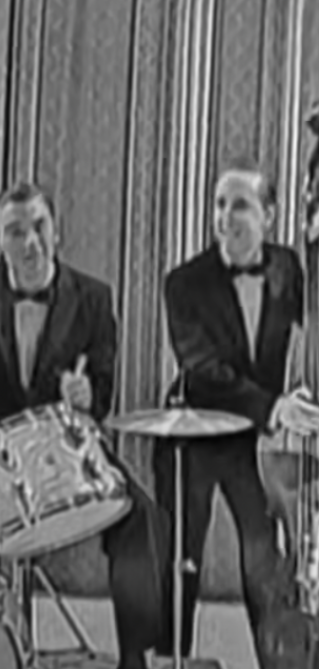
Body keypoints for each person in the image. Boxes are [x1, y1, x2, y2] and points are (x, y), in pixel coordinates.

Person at [0, 181, 169, 669]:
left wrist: (87, 398)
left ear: (57, 231)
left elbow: (102, 390)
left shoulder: (95, 298)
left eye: (39, 226)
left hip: (62, 449)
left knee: (144, 521)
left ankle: (137, 657)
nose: (30, 241)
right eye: (15, 231)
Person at [158, 160, 319, 668]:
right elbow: (204, 369)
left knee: (265, 566)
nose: (226, 216)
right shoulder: (182, 282)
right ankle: (173, 659)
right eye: (220, 204)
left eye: (241, 205)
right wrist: (277, 407)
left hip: (257, 446)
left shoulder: (288, 267)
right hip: (194, 434)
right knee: (182, 564)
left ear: (269, 215)